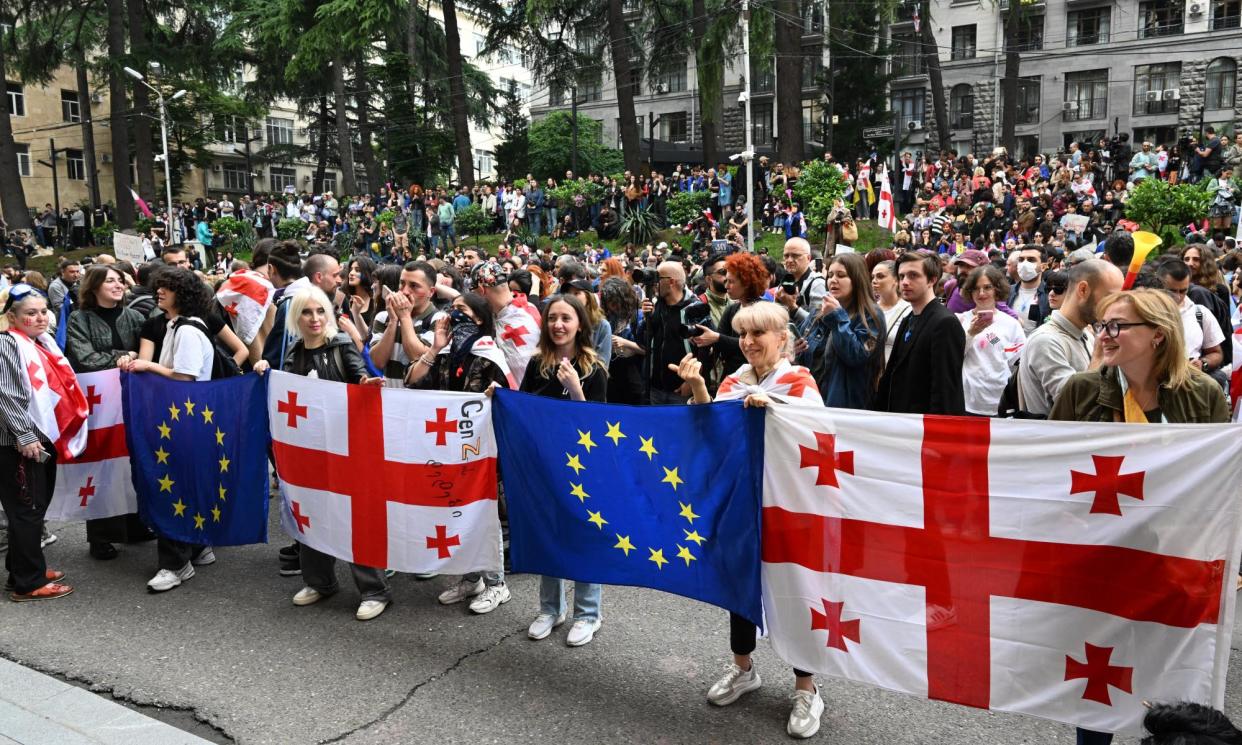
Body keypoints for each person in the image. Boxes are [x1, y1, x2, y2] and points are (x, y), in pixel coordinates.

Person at [1050, 288, 1230, 745]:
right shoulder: (1082, 390)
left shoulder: (1203, 395)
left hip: (1173, 559)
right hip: (1098, 558)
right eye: (1102, 325)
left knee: (1167, 666)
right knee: (1099, 669)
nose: (1105, 336)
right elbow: (1047, 471)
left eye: (1118, 326)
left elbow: (1217, 484)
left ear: (1157, 335)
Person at [670, 301, 826, 740]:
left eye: (759, 333)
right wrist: (699, 386)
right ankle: (743, 668)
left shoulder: (798, 381)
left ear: (783, 339)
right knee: (739, 584)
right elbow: (712, 431)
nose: (749, 342)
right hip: (739, 500)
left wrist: (773, 412)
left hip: (788, 505)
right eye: (743, 334)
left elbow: (818, 438)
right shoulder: (734, 380)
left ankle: (807, 688)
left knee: (795, 590)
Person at [267, 286, 392, 621]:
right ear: (297, 317)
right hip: (310, 454)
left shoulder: (340, 345)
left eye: (320, 311)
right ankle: (319, 582)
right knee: (311, 514)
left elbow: (359, 376)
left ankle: (373, 590)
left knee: (355, 520)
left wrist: (364, 385)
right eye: (307, 312)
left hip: (347, 452)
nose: (315, 318)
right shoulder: (293, 352)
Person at [407, 292, 513, 614]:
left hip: (482, 451)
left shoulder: (490, 357)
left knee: (483, 516)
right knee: (458, 513)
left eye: (461, 311)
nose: (452, 316)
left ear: (479, 319)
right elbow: (414, 382)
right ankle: (471, 579)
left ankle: (497, 584)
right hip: (450, 449)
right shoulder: (447, 353)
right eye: (451, 310)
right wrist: (436, 346)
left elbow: (507, 404)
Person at [117, 268, 219, 593]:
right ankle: (198, 546)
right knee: (187, 485)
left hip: (183, 421)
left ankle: (176, 563)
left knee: (171, 488)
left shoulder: (187, 330)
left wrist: (148, 366)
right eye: (159, 286)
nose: (159, 291)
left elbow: (185, 377)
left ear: (183, 294)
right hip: (186, 420)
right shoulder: (180, 326)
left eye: (168, 288)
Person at [516, 294, 607, 647]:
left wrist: (575, 390)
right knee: (549, 533)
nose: (558, 325)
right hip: (544, 464)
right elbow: (522, 407)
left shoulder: (593, 367)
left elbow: (596, 426)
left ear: (580, 324)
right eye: (552, 318)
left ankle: (588, 613)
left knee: (582, 535)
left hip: (582, 468)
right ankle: (551, 608)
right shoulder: (537, 363)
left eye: (566, 318)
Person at [64, 266, 152, 560]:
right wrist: (125, 357)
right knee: (101, 461)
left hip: (130, 397)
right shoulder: (80, 318)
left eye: (120, 280)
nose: (118, 285)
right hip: (98, 402)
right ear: (94, 287)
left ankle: (134, 525)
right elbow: (85, 358)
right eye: (110, 280)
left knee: (129, 459)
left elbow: (149, 351)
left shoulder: (135, 316)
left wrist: (136, 357)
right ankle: (101, 535)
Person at [0, 284, 77, 601]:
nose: (40, 317)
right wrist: (25, 435)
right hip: (17, 442)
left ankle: (21, 569)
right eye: (30, 313)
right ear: (12, 317)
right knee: (27, 508)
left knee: (32, 506)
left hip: (36, 437)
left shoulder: (40, 342)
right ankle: (28, 584)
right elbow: (6, 394)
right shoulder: (7, 344)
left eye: (43, 311)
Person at [874, 252, 966, 414]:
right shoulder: (909, 318)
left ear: (932, 279)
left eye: (913, 275)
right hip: (900, 421)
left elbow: (945, 389)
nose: (905, 282)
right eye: (902, 276)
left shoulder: (945, 323)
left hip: (923, 427)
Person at [798, 253, 886, 409]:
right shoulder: (818, 312)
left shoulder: (871, 315)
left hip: (847, 410)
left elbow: (856, 356)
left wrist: (837, 317)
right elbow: (805, 359)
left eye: (841, 275)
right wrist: (794, 349)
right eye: (830, 275)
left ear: (857, 279)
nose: (833, 280)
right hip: (812, 403)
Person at [691, 252, 770, 386]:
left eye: (731, 281)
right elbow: (720, 345)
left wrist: (717, 338)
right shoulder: (732, 310)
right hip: (731, 381)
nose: (726, 286)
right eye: (726, 280)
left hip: (760, 382)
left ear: (746, 282)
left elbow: (759, 345)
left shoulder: (766, 310)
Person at [957, 265, 1025, 415]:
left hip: (1000, 399)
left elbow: (1019, 362)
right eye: (976, 288)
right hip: (968, 401)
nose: (981, 293)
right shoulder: (960, 320)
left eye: (987, 287)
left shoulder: (1011, 324)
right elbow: (953, 357)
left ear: (997, 289)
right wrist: (971, 333)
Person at [638, 261, 705, 404]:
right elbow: (642, 342)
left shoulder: (696, 307)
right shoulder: (656, 305)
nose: (655, 283)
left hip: (682, 390)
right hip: (655, 388)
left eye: (658, 278)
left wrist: (691, 382)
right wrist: (646, 319)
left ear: (671, 282)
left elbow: (706, 350)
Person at [775, 237, 826, 326]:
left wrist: (793, 308)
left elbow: (818, 324)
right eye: (786, 256)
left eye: (795, 256)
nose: (789, 260)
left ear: (808, 258)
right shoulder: (785, 281)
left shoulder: (816, 283)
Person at [871, 260, 911, 364]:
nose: (874, 281)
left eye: (880, 276)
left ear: (896, 279)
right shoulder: (869, 309)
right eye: (873, 277)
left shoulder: (908, 311)